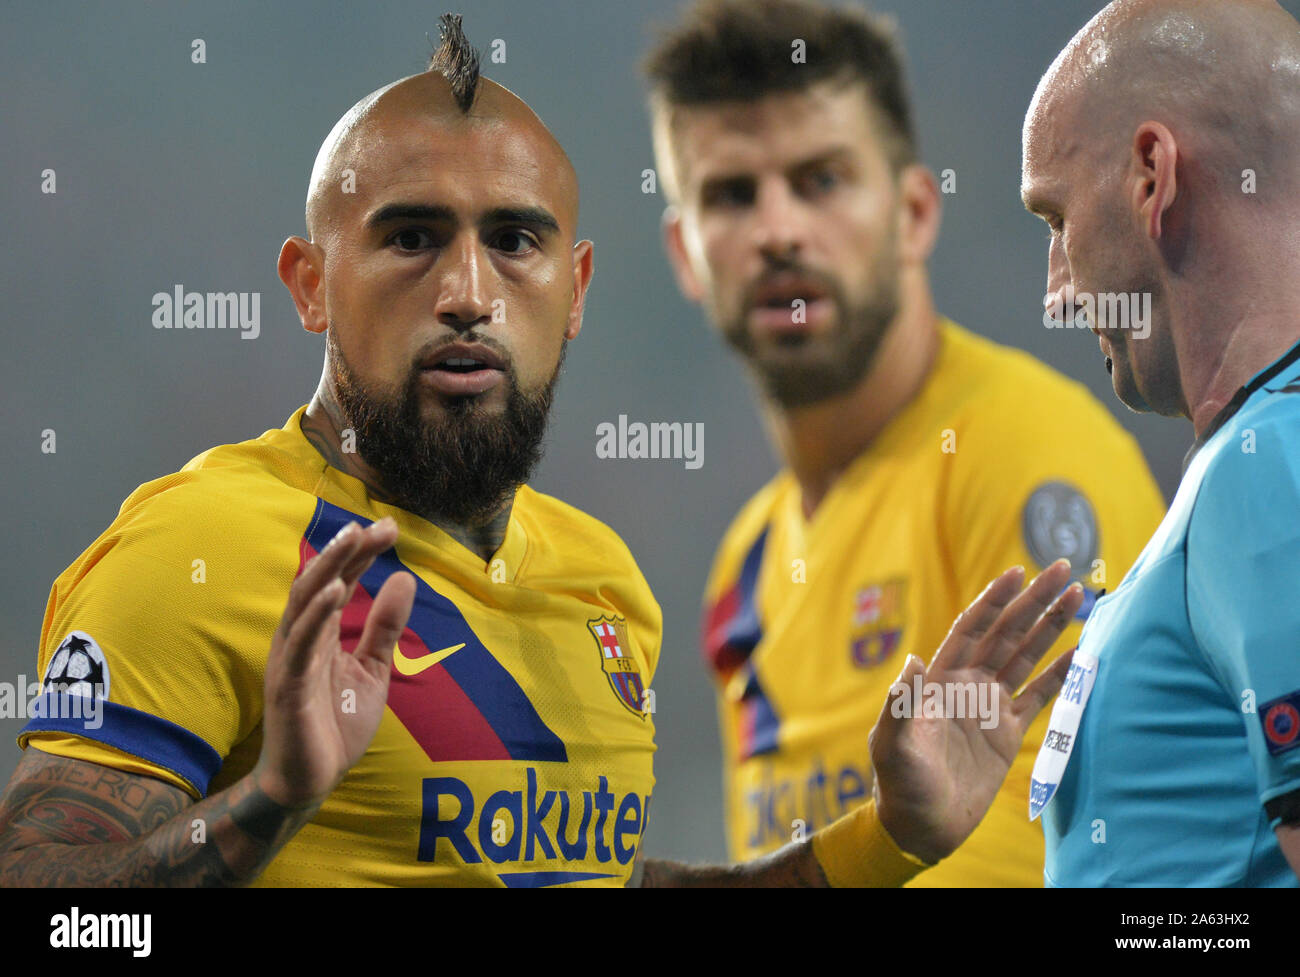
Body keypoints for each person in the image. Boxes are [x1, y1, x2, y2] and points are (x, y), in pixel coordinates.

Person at [0, 15, 1080, 888]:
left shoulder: (606, 584)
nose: (468, 292)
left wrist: (889, 834)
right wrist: (271, 799)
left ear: (576, 290)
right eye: (411, 237)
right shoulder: (192, 547)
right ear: (309, 282)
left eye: (514, 240)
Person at [643, 0, 1166, 885]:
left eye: (822, 180)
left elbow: (1080, 857)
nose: (777, 231)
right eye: (731, 194)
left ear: (916, 212)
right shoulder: (747, 566)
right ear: (686, 254)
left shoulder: (1022, 453)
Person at [1021, 0, 1300, 886]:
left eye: (1057, 221)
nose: (1057, 291)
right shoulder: (1249, 460)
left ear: (1152, 173)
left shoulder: (1269, 468)